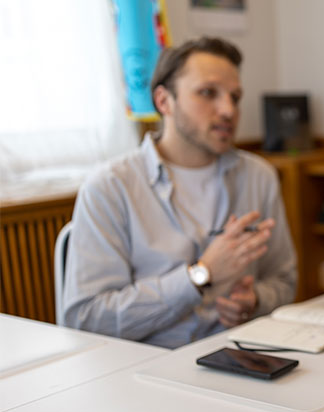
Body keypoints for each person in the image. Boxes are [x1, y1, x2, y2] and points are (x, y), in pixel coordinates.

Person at [62, 37, 296, 349]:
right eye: (208, 93)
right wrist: (200, 276)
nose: (228, 110)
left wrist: (254, 300)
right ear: (164, 101)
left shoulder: (259, 177)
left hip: (241, 357)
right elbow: (85, 320)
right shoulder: (109, 187)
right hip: (145, 371)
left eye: (235, 97)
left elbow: (284, 281)